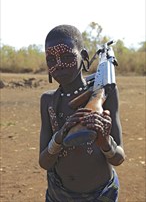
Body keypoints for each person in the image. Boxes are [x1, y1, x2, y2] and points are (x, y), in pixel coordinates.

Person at [39, 24, 125, 202]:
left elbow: (118, 158)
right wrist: (60, 137)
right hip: (58, 195)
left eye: (67, 56)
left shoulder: (106, 92)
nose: (59, 65)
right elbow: (44, 162)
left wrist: (105, 142)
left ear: (84, 56)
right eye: (51, 60)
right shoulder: (48, 102)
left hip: (102, 195)